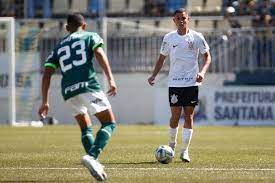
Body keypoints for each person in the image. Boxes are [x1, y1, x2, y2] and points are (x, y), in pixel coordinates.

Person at [38, 13, 117, 181]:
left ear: (67, 28)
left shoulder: (58, 47)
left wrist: (45, 101)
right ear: (85, 25)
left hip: (68, 91)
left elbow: (46, 74)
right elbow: (100, 54)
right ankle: (92, 157)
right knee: (109, 123)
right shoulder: (90, 36)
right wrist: (110, 78)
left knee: (85, 128)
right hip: (87, 86)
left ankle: (94, 162)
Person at [148, 8, 211, 163]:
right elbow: (161, 59)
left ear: (188, 18)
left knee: (189, 116)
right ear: (174, 20)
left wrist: (202, 72)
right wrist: (154, 75)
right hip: (175, 82)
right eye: (178, 18)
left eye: (183, 18)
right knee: (175, 116)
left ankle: (185, 151)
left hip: (191, 82)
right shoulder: (169, 38)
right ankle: (172, 146)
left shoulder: (197, 37)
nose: (181, 21)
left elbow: (207, 57)